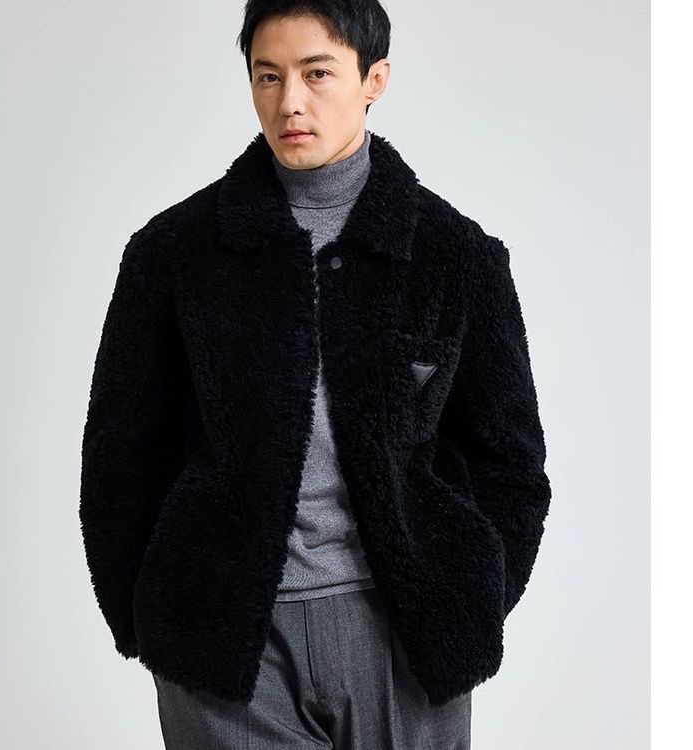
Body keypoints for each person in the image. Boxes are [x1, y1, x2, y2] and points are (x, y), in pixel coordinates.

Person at [79, 1, 552, 748]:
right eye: (267, 76)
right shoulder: (173, 254)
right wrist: (149, 618)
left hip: (408, 637)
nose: (289, 102)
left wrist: (469, 599)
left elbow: (511, 462)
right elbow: (120, 452)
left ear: (374, 79)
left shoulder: (456, 255)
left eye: (317, 73)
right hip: (225, 644)